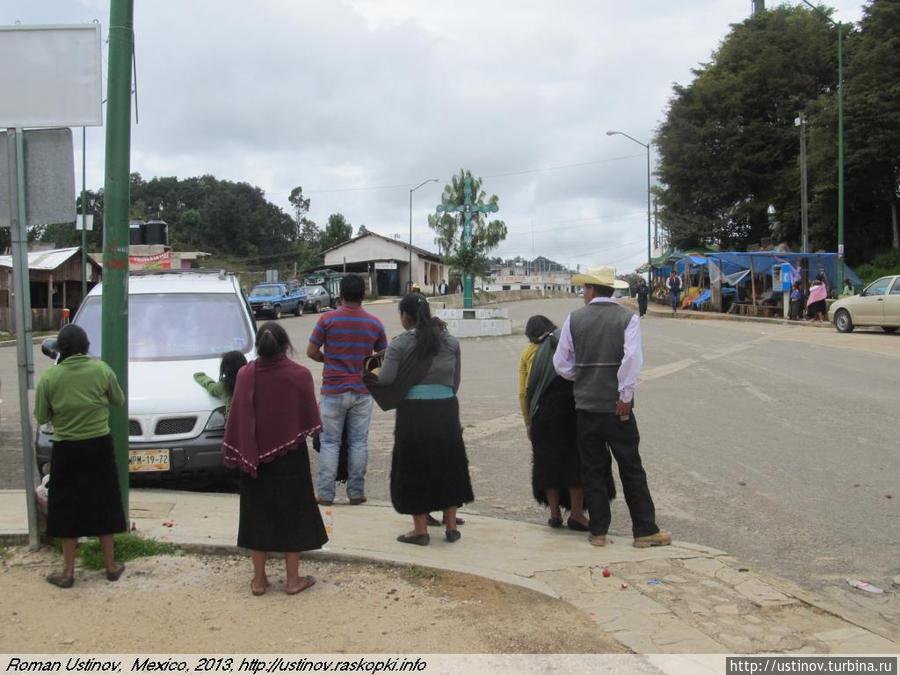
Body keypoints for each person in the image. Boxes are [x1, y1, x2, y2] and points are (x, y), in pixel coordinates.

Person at [554, 266, 671, 549]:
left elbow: (562, 364)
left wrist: (582, 377)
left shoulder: (574, 319)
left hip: (586, 408)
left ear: (593, 289)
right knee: (631, 467)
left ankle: (598, 532)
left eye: (585, 288)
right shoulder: (627, 318)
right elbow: (631, 359)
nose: (583, 293)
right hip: (618, 409)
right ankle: (644, 530)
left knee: (592, 469)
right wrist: (625, 394)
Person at [224, 322, 326, 595]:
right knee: (294, 513)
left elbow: (237, 418)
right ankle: (293, 581)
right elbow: (308, 417)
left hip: (253, 458)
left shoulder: (245, 374)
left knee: (257, 514)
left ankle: (259, 580)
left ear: (258, 346)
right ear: (285, 346)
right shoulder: (299, 375)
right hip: (290, 456)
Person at [366, 293, 473, 545]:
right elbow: (454, 382)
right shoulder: (450, 341)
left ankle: (420, 530)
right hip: (446, 408)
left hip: (414, 412)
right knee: (449, 463)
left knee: (414, 466)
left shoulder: (400, 343)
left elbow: (387, 379)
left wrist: (369, 371)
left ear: (405, 316)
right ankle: (450, 527)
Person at [34, 324, 127, 588]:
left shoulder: (50, 378)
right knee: (104, 502)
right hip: (98, 445)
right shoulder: (101, 370)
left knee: (66, 507)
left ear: (60, 349)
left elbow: (41, 416)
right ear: (86, 346)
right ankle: (110, 566)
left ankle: (67, 572)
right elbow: (118, 400)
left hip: (67, 448)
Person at [307, 275, 387, 506]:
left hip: (333, 389)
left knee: (330, 442)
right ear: (363, 295)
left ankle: (325, 493)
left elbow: (311, 351)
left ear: (340, 295)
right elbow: (382, 357)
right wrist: (364, 367)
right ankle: (356, 492)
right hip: (362, 391)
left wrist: (329, 360)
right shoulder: (374, 323)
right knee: (358, 442)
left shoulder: (327, 320)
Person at [519, 315, 598, 531]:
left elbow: (523, 392)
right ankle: (576, 514)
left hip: (543, 415)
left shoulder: (529, 353)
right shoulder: (569, 345)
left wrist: (528, 421)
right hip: (571, 410)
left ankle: (554, 515)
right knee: (575, 461)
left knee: (547, 463)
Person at [193, 350, 248, 419]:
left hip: (233, 423)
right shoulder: (251, 381)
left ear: (225, 369)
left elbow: (211, 388)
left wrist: (200, 376)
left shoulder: (223, 385)